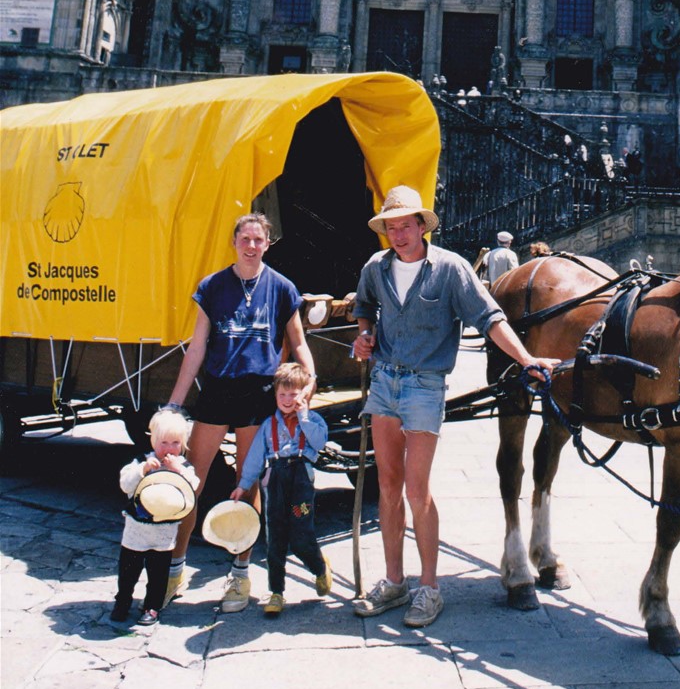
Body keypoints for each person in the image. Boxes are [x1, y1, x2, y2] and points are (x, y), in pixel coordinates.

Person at [350, 185, 559, 629]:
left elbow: (490, 319)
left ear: (422, 226)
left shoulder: (450, 268)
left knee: (416, 489)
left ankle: (429, 588)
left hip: (426, 386)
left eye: (406, 225)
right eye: (391, 226)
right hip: (385, 380)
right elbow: (364, 305)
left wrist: (526, 360)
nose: (398, 233)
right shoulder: (376, 266)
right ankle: (394, 581)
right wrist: (365, 334)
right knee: (387, 486)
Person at [163, 211, 316, 614]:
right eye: (245, 239)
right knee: (191, 480)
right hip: (217, 391)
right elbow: (197, 348)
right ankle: (174, 569)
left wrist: (309, 381)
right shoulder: (212, 287)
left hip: (257, 394)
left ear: (268, 243)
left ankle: (241, 573)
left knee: (247, 484)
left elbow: (298, 343)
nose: (251, 246)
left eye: (258, 240)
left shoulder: (282, 288)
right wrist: (175, 404)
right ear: (234, 242)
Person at [229, 362, 332, 616]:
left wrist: (304, 416)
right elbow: (255, 457)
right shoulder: (268, 425)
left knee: (300, 534)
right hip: (275, 479)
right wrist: (243, 485)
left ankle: (319, 566)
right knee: (274, 538)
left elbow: (319, 443)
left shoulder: (312, 419)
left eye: (293, 394)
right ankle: (276, 592)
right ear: (275, 396)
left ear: (303, 395)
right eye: (282, 395)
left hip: (301, 480)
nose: (287, 400)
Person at [111, 408, 199, 632]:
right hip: (136, 531)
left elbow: (194, 486)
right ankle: (123, 601)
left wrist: (180, 471)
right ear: (153, 440)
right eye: (163, 442)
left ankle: (152, 607)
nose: (169, 449)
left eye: (175, 443)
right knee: (128, 570)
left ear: (183, 444)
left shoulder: (182, 466)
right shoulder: (142, 461)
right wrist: (142, 470)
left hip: (164, 533)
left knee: (158, 574)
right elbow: (125, 483)